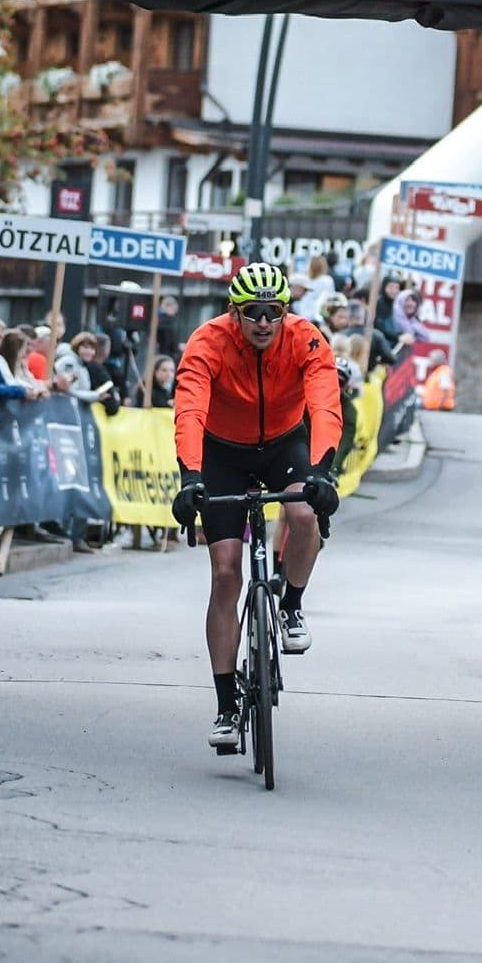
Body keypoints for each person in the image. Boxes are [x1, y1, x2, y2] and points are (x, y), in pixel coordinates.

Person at [170, 260, 342, 755]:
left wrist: (322, 472)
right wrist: (190, 479)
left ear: (285, 312)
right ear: (234, 312)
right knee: (226, 574)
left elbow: (325, 405)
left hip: (284, 443)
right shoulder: (208, 342)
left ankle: (290, 605)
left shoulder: (306, 339)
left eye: (273, 312)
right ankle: (226, 707)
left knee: (305, 514)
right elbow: (190, 409)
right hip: (222, 451)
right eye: (252, 312)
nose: (263, 322)